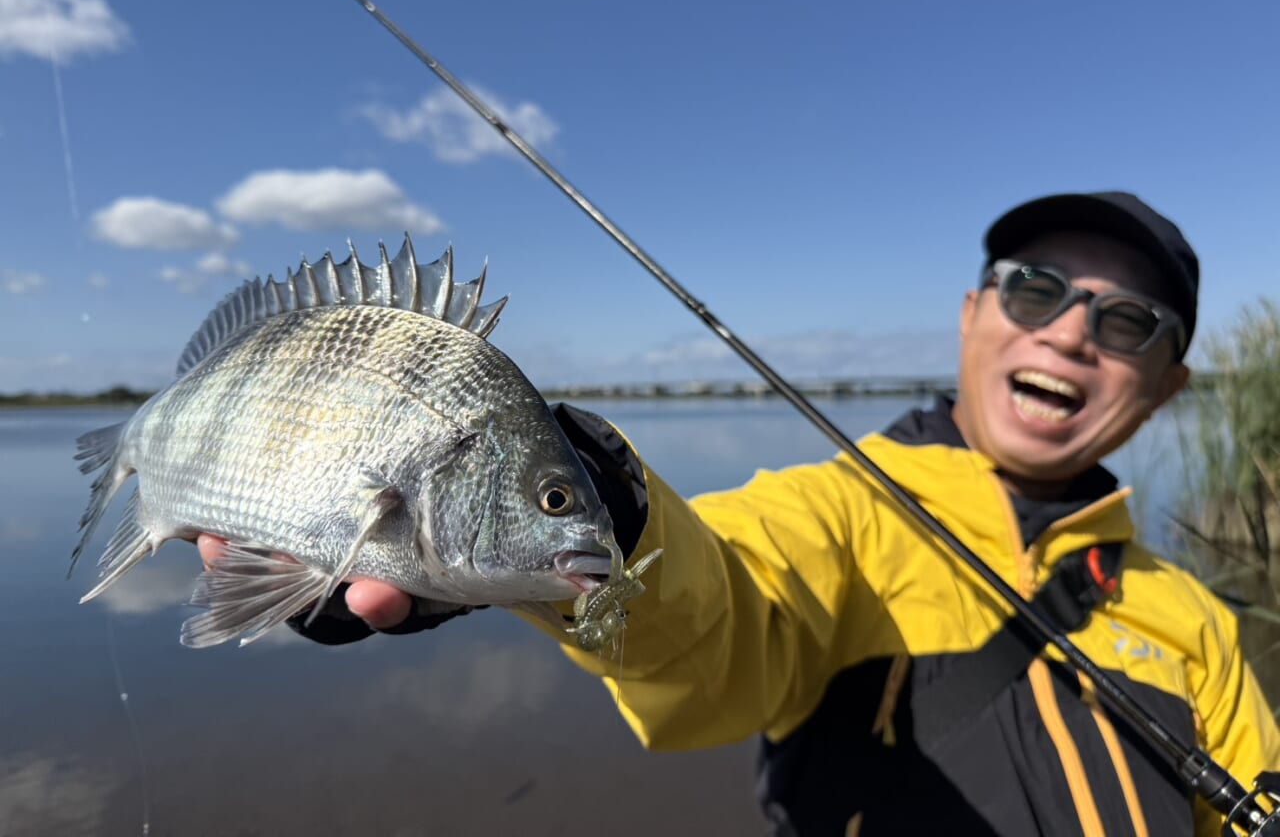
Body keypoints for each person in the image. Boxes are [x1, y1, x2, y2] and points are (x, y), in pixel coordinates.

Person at [201, 191, 1280, 836]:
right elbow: (715, 630)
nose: (1068, 333)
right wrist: (612, 515)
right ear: (972, 314)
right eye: (1033, 288)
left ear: (1168, 385)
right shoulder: (835, 515)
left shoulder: (1196, 622)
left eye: (1128, 319)